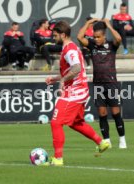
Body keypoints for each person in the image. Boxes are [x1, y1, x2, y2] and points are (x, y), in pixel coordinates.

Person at [45, 21, 109, 166]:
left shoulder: (70, 50)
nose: (53, 38)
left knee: (56, 122)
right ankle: (101, 142)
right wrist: (55, 78)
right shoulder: (68, 48)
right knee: (75, 122)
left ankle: (58, 159)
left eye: (55, 35)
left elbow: (77, 68)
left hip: (74, 92)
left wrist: (61, 82)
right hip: (79, 90)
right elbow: (70, 71)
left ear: (63, 35)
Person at [78, 18, 127, 149]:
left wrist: (109, 25)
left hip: (111, 83)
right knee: (102, 114)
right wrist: (88, 23)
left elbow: (119, 39)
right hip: (98, 85)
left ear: (104, 35)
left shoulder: (112, 45)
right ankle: (107, 141)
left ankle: (122, 140)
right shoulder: (92, 45)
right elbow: (79, 37)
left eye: (98, 37)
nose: (96, 39)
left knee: (116, 113)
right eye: (94, 37)